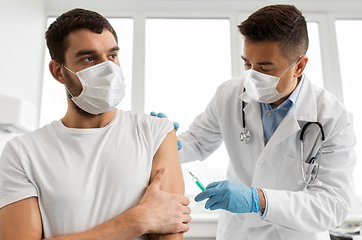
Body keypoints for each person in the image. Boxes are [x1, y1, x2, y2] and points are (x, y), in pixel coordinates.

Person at [156, 4, 356, 240]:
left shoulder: (333, 119)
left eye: (264, 68)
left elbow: (333, 206)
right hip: (238, 232)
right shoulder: (229, 94)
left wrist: (257, 200)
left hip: (295, 234)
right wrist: (166, 142)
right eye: (247, 64)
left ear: (299, 66)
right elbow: (198, 142)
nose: (251, 76)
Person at [0, 8, 191, 240]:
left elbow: (168, 232)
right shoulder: (23, 153)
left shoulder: (156, 132)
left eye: (112, 56)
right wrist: (137, 220)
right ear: (58, 72)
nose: (108, 69)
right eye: (89, 58)